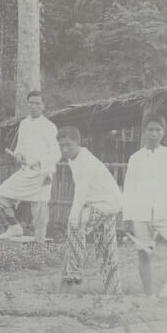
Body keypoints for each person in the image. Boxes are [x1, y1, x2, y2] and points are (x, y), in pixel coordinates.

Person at [122, 115, 167, 300]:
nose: (154, 134)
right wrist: (126, 217)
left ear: (163, 132)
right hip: (140, 212)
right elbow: (129, 188)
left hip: (163, 212)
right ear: (144, 132)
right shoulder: (135, 158)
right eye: (150, 130)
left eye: (158, 130)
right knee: (144, 253)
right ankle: (149, 295)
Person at [58, 126, 123, 294]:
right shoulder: (74, 159)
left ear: (78, 143)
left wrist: (74, 214)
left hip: (107, 203)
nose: (65, 149)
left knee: (76, 222)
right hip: (101, 203)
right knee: (106, 249)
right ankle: (114, 292)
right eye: (61, 146)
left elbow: (81, 191)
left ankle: (73, 272)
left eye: (68, 145)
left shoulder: (84, 161)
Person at [0, 91, 61, 243]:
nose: (34, 106)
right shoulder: (24, 124)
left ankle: (40, 243)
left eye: (37, 103)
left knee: (39, 209)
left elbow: (57, 154)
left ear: (43, 106)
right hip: (25, 172)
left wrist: (40, 162)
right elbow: (20, 147)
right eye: (31, 103)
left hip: (43, 174)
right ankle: (14, 227)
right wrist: (18, 154)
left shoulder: (49, 126)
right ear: (27, 104)